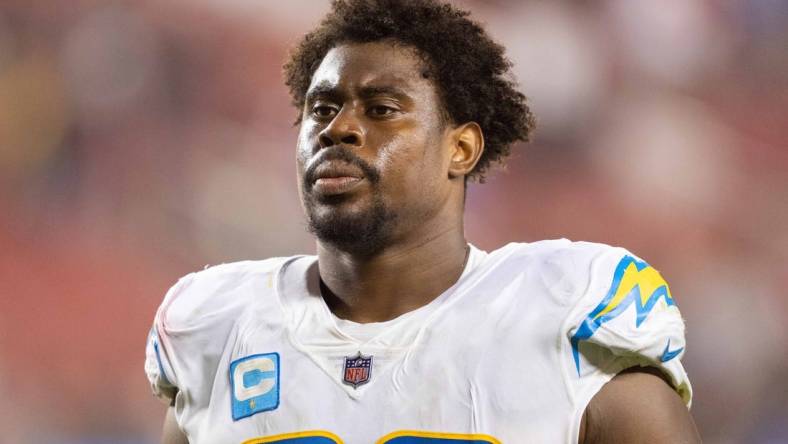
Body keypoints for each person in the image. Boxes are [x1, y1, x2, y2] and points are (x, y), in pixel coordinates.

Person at [144, 0, 701, 442]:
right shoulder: (217, 330)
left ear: (460, 148)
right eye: (321, 109)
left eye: (381, 109)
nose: (338, 129)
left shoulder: (565, 319)